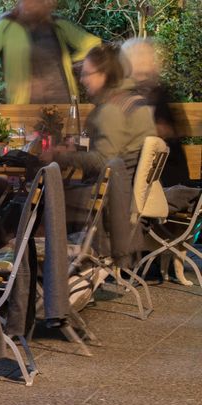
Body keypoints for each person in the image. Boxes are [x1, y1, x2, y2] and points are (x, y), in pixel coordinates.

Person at [41, 43, 156, 267]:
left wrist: (59, 157)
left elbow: (104, 160)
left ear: (104, 75)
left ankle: (47, 266)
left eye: (87, 74)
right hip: (129, 191)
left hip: (110, 197)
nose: (82, 79)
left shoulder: (112, 109)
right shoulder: (133, 101)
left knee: (46, 197)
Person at [0, 0, 100, 106]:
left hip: (63, 106)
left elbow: (93, 44)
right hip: (26, 110)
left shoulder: (57, 24)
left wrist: (70, 62)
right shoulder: (6, 26)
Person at [121, 37, 191, 187]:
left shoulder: (160, 93)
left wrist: (162, 130)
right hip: (135, 170)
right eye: (139, 54)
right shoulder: (122, 95)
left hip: (163, 173)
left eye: (147, 54)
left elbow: (178, 131)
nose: (146, 59)